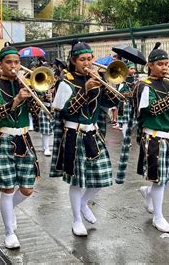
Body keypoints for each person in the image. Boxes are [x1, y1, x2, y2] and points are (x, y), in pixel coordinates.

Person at [50, 41, 122, 236]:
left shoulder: (97, 78)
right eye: (82, 59)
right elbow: (65, 112)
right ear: (73, 61)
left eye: (90, 59)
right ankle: (76, 220)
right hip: (73, 133)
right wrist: (85, 90)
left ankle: (83, 203)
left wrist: (106, 84)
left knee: (103, 176)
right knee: (77, 181)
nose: (88, 63)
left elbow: (113, 101)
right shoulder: (66, 81)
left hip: (93, 132)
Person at [0, 45, 41, 249]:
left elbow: (36, 112)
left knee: (27, 189)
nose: (14, 66)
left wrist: (34, 92)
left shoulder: (23, 83)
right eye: (9, 62)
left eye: (17, 62)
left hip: (23, 139)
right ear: (0, 66)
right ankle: (9, 232)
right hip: (2, 140)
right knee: (7, 190)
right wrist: (16, 100)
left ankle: (9, 209)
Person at [134, 43, 169, 232]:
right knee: (159, 179)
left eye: (166, 64)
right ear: (150, 65)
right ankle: (158, 217)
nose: (165, 68)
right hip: (154, 138)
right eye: (160, 64)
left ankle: (148, 192)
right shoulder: (143, 85)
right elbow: (153, 110)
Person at [115, 61, 136, 137]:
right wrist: (127, 94)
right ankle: (125, 138)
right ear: (126, 69)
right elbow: (119, 93)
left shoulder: (135, 79)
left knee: (132, 122)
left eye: (134, 69)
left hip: (133, 103)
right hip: (125, 104)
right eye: (131, 69)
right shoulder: (122, 80)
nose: (133, 70)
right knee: (125, 123)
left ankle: (127, 137)